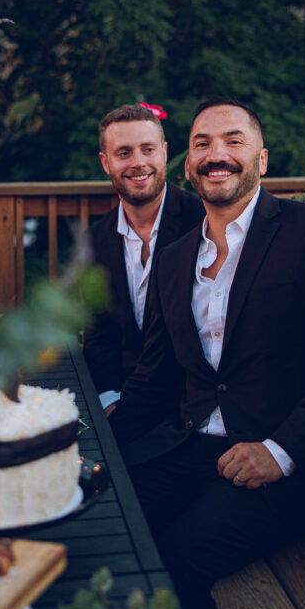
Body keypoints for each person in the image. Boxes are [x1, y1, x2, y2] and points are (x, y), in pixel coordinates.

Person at [109, 97, 305, 609]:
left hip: (292, 462)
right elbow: (155, 377)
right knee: (106, 515)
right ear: (187, 165)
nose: (217, 155)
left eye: (233, 141)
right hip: (191, 447)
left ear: (262, 159)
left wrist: (279, 451)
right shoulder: (175, 256)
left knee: (175, 557)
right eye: (203, 144)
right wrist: (91, 439)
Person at [83, 103, 203, 413]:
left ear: (163, 152)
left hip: (195, 405)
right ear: (106, 162)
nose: (138, 163)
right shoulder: (95, 241)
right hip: (124, 401)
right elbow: (100, 335)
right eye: (123, 153)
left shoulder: (203, 221)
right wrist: (109, 400)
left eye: (147, 150)